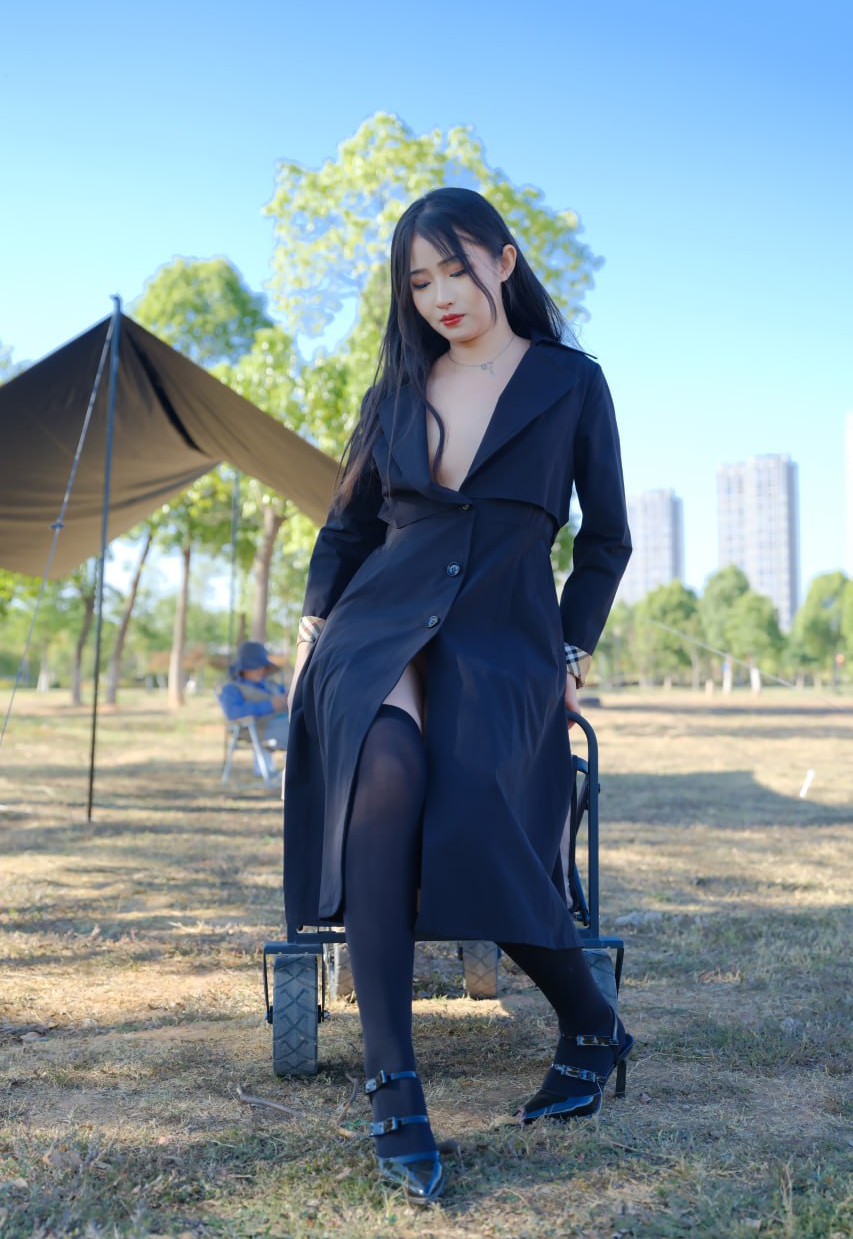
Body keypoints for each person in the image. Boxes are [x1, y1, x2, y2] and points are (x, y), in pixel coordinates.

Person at [284, 188, 633, 1205]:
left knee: (477, 812)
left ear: (504, 259)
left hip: (505, 636)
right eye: (418, 280)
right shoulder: (394, 390)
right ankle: (394, 1087)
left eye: (455, 268)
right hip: (378, 626)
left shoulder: (570, 383)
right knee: (384, 771)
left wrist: (570, 649)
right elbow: (345, 531)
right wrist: (310, 637)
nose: (439, 294)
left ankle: (592, 1022)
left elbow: (606, 539)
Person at [219, 640, 290, 758]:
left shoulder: (270, 685)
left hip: (283, 722)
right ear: (243, 668)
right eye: (254, 667)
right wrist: (270, 705)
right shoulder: (231, 688)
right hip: (258, 730)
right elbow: (233, 713)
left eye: (262, 666)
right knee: (300, 729)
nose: (260, 670)